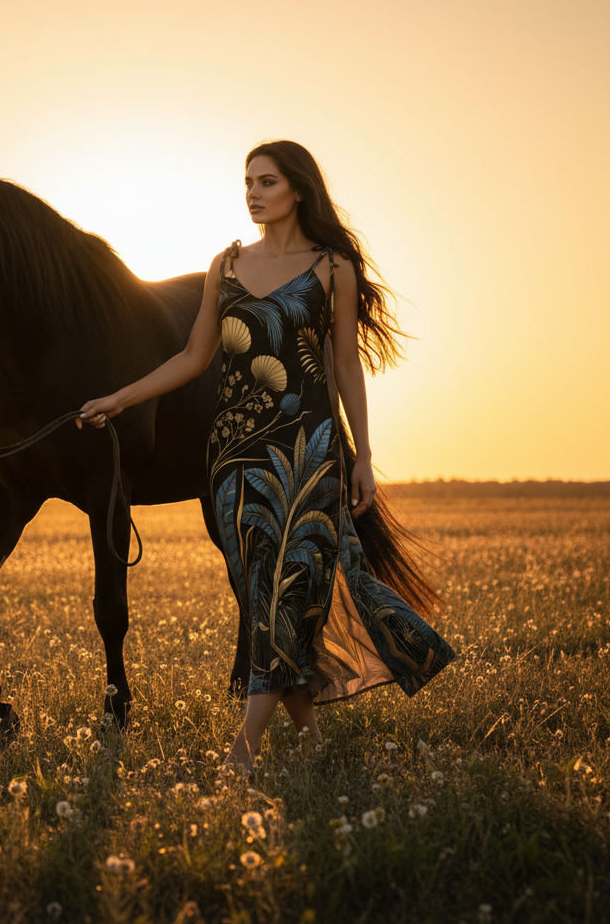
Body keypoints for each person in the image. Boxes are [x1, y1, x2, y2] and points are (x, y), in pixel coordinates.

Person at [78, 140, 455, 773]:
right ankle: (310, 747)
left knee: (291, 591)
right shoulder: (224, 266)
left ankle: (243, 754)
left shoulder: (332, 268)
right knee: (265, 597)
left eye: (267, 182)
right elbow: (193, 358)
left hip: (307, 451)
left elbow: (344, 367)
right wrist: (120, 397)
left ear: (298, 190)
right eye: (247, 181)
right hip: (231, 456)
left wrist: (363, 454)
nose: (253, 192)